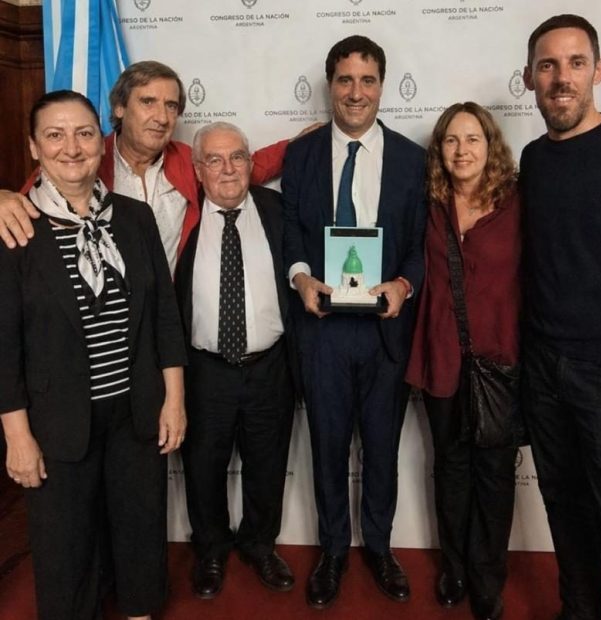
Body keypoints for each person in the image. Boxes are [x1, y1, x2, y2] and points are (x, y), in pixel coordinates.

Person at [0, 90, 187, 620]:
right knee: (65, 547)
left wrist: (173, 400)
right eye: (54, 135)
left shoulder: (135, 218)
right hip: (56, 422)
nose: (72, 147)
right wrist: (17, 437)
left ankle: (139, 611)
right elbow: (4, 345)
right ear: (34, 147)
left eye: (84, 133)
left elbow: (164, 316)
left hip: (136, 413)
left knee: (139, 531)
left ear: (101, 142)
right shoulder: (15, 227)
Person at [282, 35, 427, 609]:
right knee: (327, 448)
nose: (356, 92)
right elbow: (292, 231)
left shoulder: (413, 159)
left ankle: (382, 549)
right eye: (345, 79)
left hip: (385, 332)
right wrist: (300, 278)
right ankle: (334, 551)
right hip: (323, 330)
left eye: (367, 80)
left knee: (383, 450)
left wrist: (403, 284)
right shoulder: (302, 156)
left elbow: (420, 244)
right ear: (330, 86)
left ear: (382, 86)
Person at [0, 61, 321, 272]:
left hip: (170, 314)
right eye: (148, 102)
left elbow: (244, 168)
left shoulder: (186, 159)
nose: (162, 117)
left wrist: (298, 145)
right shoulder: (84, 159)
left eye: (171, 106)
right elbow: (26, 207)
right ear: (120, 107)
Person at [520, 14, 601, 620]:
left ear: (599, 71)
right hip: (542, 367)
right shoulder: (532, 159)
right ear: (529, 78)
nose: (562, 78)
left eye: (576, 63)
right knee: (565, 510)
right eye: (548, 65)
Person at [406, 102, 520, 620]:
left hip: (500, 360)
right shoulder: (429, 205)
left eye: (473, 138)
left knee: (494, 475)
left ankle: (487, 578)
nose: (462, 150)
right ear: (440, 150)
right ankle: (453, 567)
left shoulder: (517, 202)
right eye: (451, 140)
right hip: (441, 357)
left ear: (490, 145)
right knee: (451, 468)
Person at [174, 122, 296, 599]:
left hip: (270, 366)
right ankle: (210, 549)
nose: (228, 169)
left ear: (250, 163)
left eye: (237, 157)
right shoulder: (180, 218)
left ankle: (260, 545)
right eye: (215, 160)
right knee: (203, 466)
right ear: (198, 169)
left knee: (268, 463)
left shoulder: (278, 210)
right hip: (205, 370)